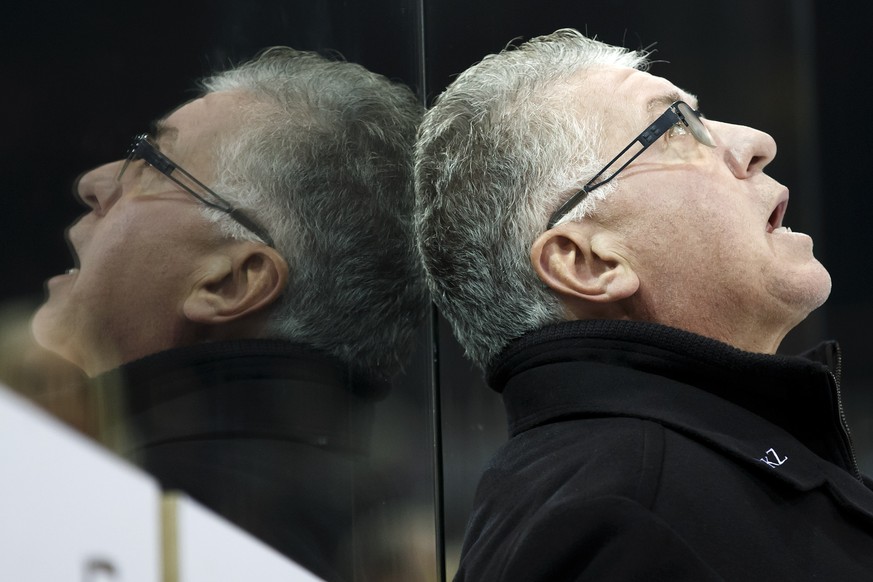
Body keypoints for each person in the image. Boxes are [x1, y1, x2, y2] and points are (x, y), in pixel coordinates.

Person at [414, 28, 873, 580]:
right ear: (589, 263)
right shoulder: (620, 517)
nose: (756, 141)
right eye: (675, 127)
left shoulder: (657, 487)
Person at [32, 47, 425, 581]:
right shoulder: (349, 513)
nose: (95, 184)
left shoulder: (100, 511)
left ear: (229, 282)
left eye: (150, 163)